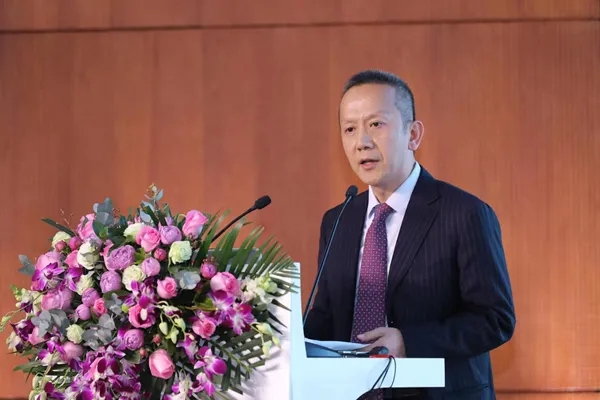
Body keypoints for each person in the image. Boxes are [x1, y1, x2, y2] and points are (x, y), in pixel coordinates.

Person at [303, 69, 516, 400]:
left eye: (376, 124)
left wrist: (409, 342)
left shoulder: (464, 213)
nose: (361, 142)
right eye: (349, 129)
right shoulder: (338, 220)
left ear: (413, 134)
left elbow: (494, 319)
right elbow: (326, 317)